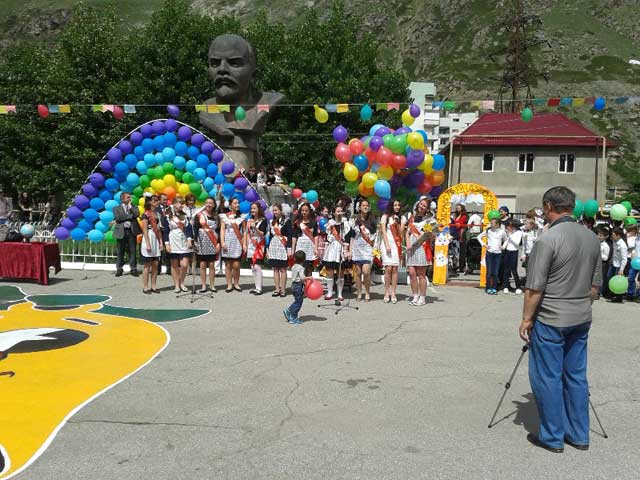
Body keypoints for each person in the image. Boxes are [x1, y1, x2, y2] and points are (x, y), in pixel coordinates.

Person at [519, 186, 601, 453]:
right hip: (581, 316)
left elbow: (534, 288)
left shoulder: (548, 240)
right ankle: (579, 433)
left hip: (552, 317)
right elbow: (595, 287)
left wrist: (526, 319)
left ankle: (552, 436)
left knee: (548, 376)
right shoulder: (591, 238)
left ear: (547, 206)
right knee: (576, 375)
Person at [405, 198, 433, 306]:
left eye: (424, 206)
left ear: (427, 209)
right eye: (421, 204)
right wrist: (408, 244)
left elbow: (431, 236)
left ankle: (422, 297)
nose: (421, 206)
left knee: (421, 274)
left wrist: (430, 233)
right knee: (412, 273)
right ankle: (415, 296)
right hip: (411, 248)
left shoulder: (429, 220)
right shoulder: (412, 217)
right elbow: (407, 233)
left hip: (422, 247)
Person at [163, 196, 193, 294]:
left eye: (182, 203)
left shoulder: (185, 216)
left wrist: (189, 239)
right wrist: (167, 244)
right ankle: (176, 284)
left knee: (184, 265)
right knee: (174, 265)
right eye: (180, 203)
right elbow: (165, 231)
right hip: (173, 241)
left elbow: (188, 229)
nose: (181, 205)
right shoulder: (168, 216)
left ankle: (182, 282)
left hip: (183, 241)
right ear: (174, 204)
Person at [322, 205, 351, 301]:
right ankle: (330, 292)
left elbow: (347, 237)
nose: (339, 213)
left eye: (341, 211)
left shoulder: (345, 223)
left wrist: (346, 249)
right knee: (330, 270)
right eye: (338, 211)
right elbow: (327, 238)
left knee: (341, 271)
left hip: (341, 247)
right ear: (334, 213)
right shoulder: (330, 223)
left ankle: (340, 294)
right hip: (332, 248)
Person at [350, 199, 376, 302]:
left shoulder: (372, 219)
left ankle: (367, 292)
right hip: (357, 248)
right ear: (359, 207)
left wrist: (375, 248)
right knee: (358, 272)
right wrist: (350, 250)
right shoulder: (355, 220)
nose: (365, 207)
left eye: (367, 205)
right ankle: (359, 292)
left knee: (366, 272)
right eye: (363, 205)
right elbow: (352, 236)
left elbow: (375, 235)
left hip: (367, 248)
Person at [380, 200, 404, 303]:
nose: (397, 207)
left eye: (398, 205)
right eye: (395, 205)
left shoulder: (402, 218)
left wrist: (397, 223)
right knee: (388, 268)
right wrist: (387, 245)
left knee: (395, 269)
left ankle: (393, 292)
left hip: (396, 244)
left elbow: (401, 232)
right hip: (387, 243)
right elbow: (383, 232)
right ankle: (386, 292)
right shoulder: (385, 217)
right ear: (391, 206)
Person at [112, 192, 142, 277]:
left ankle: (133, 269)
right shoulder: (116, 208)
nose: (130, 199)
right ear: (122, 199)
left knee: (132, 251)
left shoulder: (133, 207)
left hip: (131, 231)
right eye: (128, 197)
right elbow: (118, 218)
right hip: (121, 231)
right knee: (120, 251)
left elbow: (137, 214)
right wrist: (130, 216)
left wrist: (131, 207)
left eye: (130, 197)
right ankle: (119, 268)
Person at [219, 197, 246, 292]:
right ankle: (229, 284)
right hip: (228, 241)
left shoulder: (242, 217)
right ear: (230, 205)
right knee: (228, 265)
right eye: (235, 203)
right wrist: (222, 242)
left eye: (238, 203)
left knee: (236, 265)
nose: (237, 205)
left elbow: (245, 231)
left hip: (237, 242)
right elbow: (222, 229)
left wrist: (244, 243)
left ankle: (236, 283)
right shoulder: (225, 216)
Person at [267, 203, 292, 297]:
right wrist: (267, 248)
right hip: (274, 245)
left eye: (276, 210)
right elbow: (270, 236)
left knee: (283, 269)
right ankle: (277, 289)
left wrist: (289, 248)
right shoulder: (272, 222)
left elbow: (290, 235)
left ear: (281, 211)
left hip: (283, 245)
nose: (275, 212)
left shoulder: (287, 221)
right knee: (275, 268)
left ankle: (283, 290)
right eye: (273, 210)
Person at [140, 195, 163, 294]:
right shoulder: (146, 215)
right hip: (148, 237)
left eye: (157, 200)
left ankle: (154, 286)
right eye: (155, 200)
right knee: (147, 265)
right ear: (150, 202)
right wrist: (148, 244)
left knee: (155, 264)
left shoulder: (157, 214)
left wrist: (161, 242)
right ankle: (145, 287)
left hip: (156, 238)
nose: (157, 202)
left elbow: (158, 229)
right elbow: (144, 230)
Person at [196, 197, 219, 293]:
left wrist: (218, 243)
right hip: (202, 241)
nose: (208, 205)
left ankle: (212, 285)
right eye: (207, 203)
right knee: (202, 264)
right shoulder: (200, 215)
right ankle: (203, 286)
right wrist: (195, 241)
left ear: (214, 205)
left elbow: (218, 230)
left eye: (210, 203)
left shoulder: (216, 216)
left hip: (213, 241)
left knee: (211, 264)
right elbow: (195, 227)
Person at [477, 217, 507, 294]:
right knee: (489, 272)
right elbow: (479, 237)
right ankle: (488, 287)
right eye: (491, 223)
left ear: (497, 224)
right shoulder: (488, 231)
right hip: (489, 253)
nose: (491, 224)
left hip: (498, 253)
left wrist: (503, 246)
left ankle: (494, 288)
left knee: (496, 272)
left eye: (492, 223)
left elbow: (506, 239)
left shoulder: (502, 232)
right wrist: (484, 245)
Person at [244, 201, 268, 295]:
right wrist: (245, 245)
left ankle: (259, 288)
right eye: (251, 208)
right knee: (252, 266)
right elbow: (247, 233)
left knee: (257, 266)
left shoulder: (263, 220)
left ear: (259, 209)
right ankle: (256, 286)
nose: (252, 210)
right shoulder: (249, 220)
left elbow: (262, 234)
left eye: (254, 208)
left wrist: (255, 228)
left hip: (259, 245)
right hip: (251, 245)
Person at [283, 250, 311, 325]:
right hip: (298, 286)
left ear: (295, 259)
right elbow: (302, 278)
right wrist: (309, 278)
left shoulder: (294, 266)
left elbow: (297, 277)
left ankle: (288, 311)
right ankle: (293, 318)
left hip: (293, 285)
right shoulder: (301, 268)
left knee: (297, 300)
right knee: (299, 302)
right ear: (304, 259)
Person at [292, 202, 319, 277]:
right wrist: (293, 249)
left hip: (310, 245)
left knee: (309, 267)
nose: (304, 212)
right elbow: (294, 236)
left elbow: (316, 236)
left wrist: (316, 248)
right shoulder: (297, 222)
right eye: (303, 210)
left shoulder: (313, 222)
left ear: (309, 211)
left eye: (306, 211)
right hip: (300, 245)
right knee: (300, 267)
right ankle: (300, 283)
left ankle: (309, 283)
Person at [502, 219, 523, 294]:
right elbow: (507, 241)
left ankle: (518, 287)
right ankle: (505, 286)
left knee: (514, 270)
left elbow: (517, 243)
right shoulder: (509, 233)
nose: (507, 227)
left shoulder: (519, 232)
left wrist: (510, 235)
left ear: (513, 226)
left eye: (509, 226)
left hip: (514, 252)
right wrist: (503, 247)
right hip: (507, 251)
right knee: (506, 270)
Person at [607, 227, 628, 303]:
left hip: (619, 266)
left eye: (613, 234)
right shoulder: (614, 241)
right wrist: (612, 259)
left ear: (618, 235)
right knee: (609, 277)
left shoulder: (622, 245)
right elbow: (615, 252)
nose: (611, 236)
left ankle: (619, 297)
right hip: (614, 263)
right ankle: (612, 293)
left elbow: (624, 259)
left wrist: (621, 269)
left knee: (618, 282)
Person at [595, 225, 612, 299]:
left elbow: (606, 258)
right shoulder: (596, 242)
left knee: (600, 278)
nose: (599, 237)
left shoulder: (606, 246)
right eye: (598, 235)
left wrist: (599, 253)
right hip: (595, 262)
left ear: (605, 237)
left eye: (601, 236)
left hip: (602, 264)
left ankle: (598, 293)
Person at [451, 204, 468, 273]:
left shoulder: (464, 216)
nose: (458, 209)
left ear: (462, 208)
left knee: (461, 252)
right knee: (455, 251)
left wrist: (454, 225)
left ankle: (461, 266)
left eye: (459, 208)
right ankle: (456, 266)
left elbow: (459, 225)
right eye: (457, 208)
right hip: (456, 234)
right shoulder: (456, 216)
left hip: (461, 235)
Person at [625, 224, 639, 301]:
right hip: (634, 261)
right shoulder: (636, 239)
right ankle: (630, 294)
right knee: (630, 278)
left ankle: (638, 295)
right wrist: (633, 253)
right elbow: (634, 248)